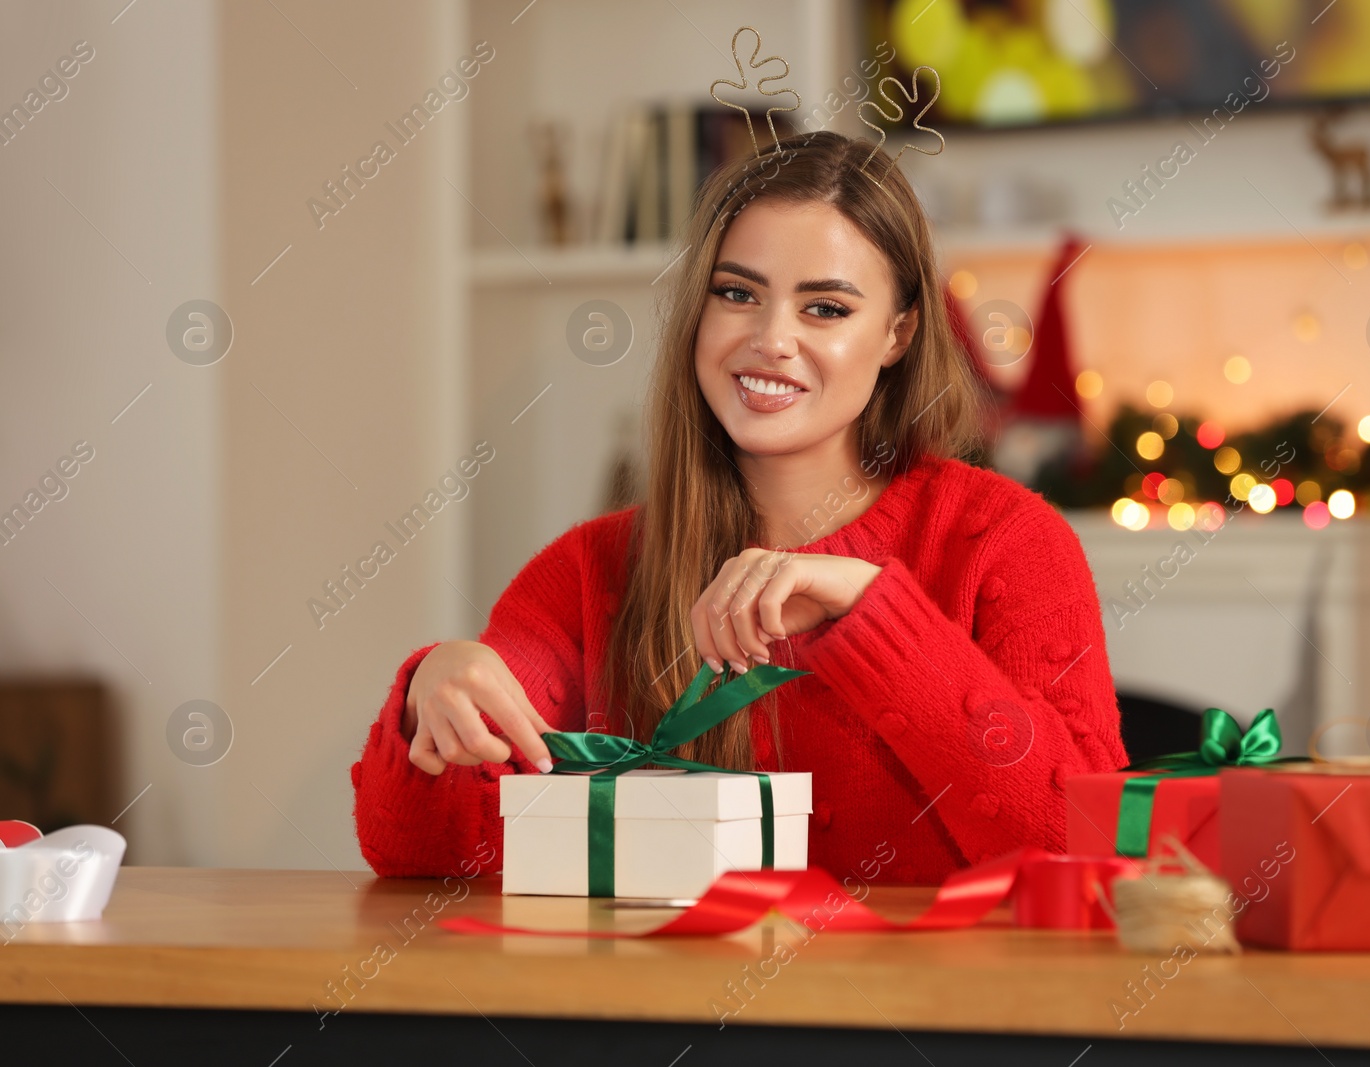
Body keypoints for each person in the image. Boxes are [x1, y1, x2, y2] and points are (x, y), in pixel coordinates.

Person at [352, 130, 1126, 884]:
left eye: (825, 308)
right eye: (737, 293)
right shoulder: (591, 569)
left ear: (898, 332)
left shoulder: (1008, 541)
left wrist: (874, 613)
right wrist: (436, 692)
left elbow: (1083, 846)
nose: (770, 339)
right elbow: (424, 853)